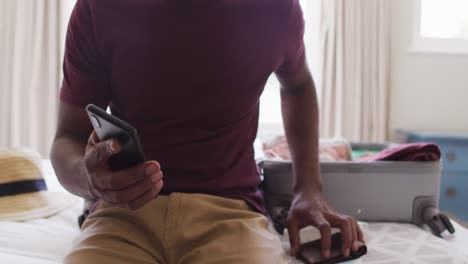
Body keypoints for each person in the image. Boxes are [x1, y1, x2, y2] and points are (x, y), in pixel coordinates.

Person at [50, 0, 365, 263]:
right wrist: (90, 179)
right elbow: (68, 139)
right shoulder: (101, 7)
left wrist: (308, 189)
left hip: (231, 211)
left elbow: (297, 84)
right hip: (123, 213)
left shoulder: (275, 8)